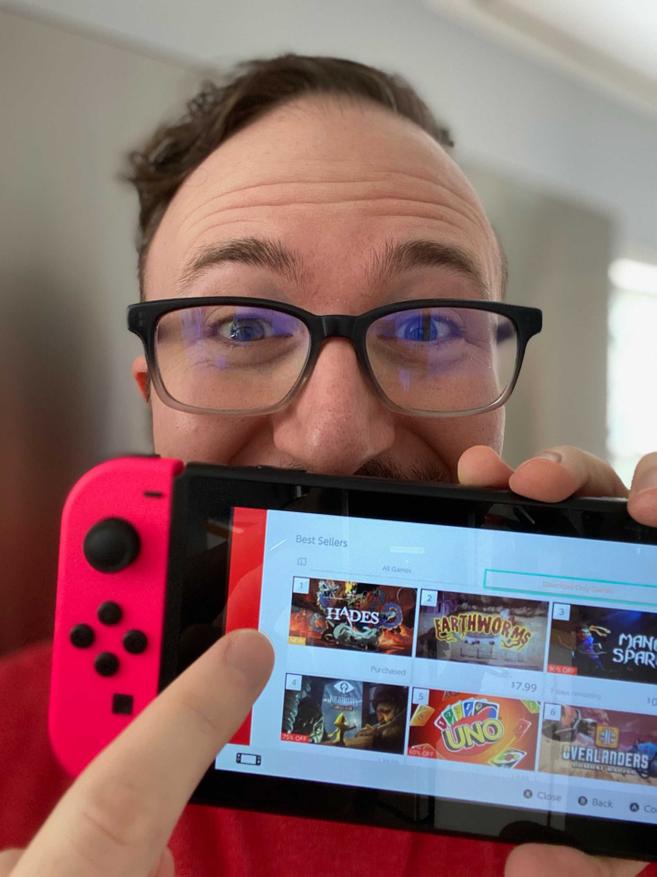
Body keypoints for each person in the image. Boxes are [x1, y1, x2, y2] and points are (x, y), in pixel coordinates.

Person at [1, 54, 655, 877]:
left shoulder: (614, 755)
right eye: (242, 328)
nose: (334, 436)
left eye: (425, 327)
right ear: (152, 399)